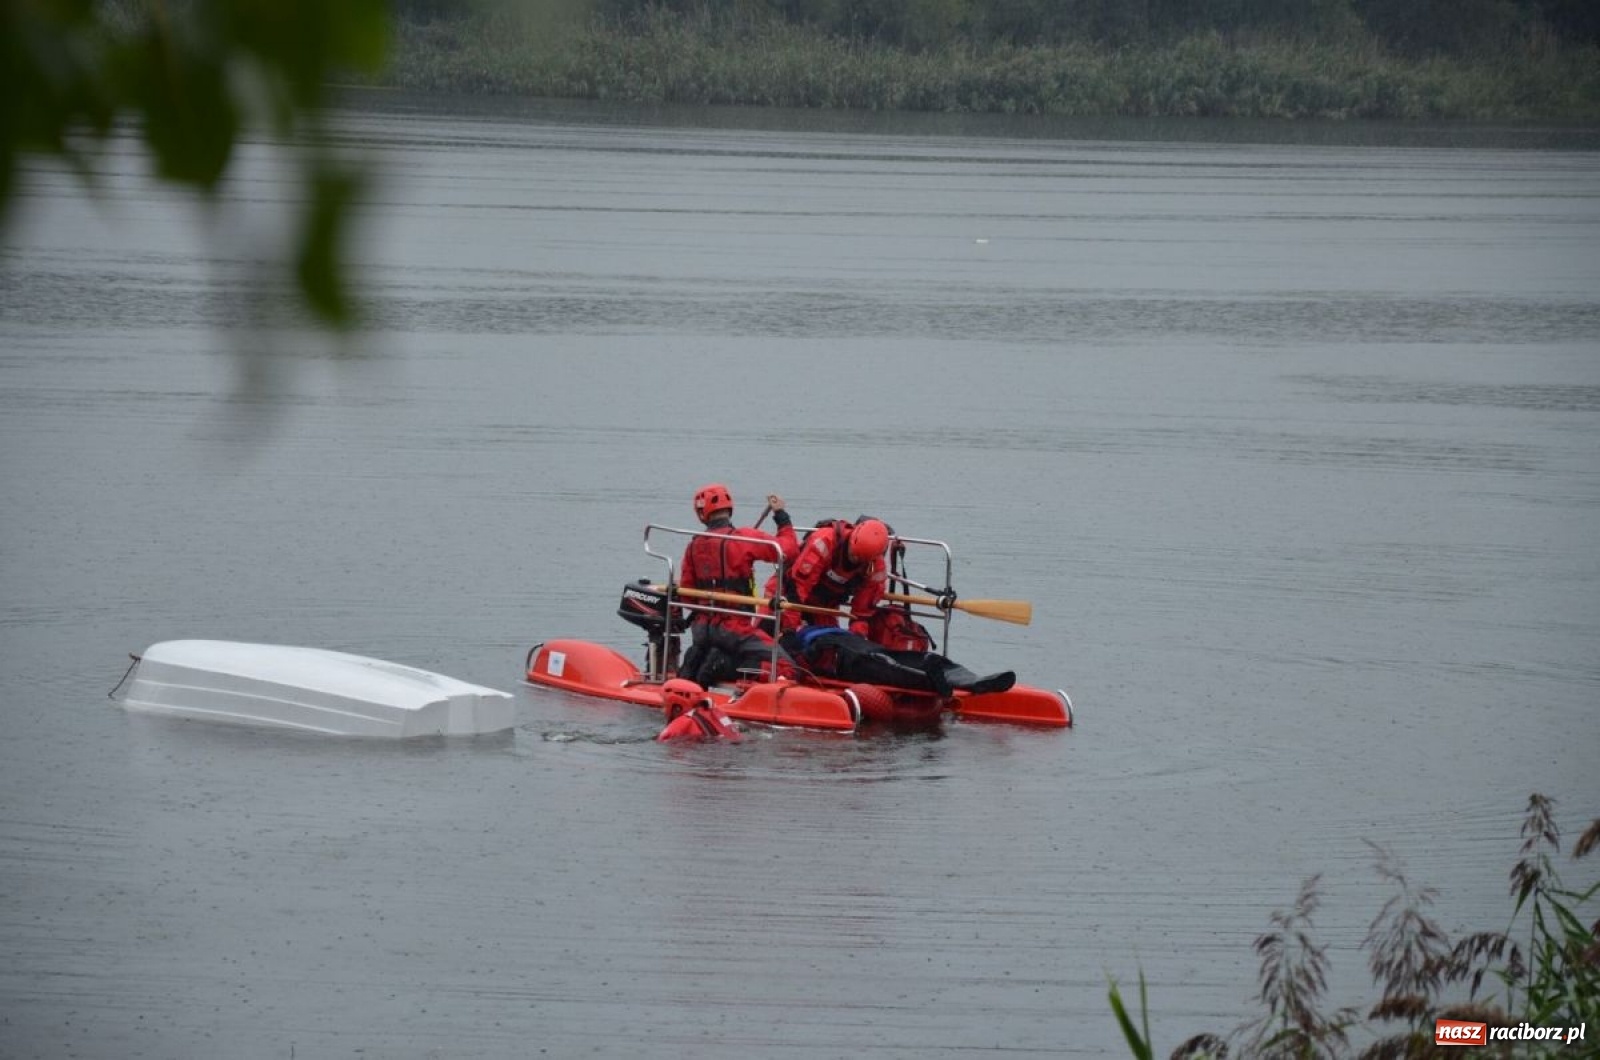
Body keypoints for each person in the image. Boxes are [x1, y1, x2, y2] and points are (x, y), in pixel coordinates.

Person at [676, 483, 800, 687]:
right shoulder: (742, 538)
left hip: (701, 629)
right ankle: (724, 665)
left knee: (711, 646)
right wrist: (781, 516)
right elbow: (788, 550)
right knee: (789, 668)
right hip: (734, 629)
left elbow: (687, 596)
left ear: (701, 513)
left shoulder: (693, 545)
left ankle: (696, 663)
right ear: (729, 508)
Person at [774, 516, 891, 637]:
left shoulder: (875, 568)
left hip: (824, 606)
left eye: (860, 559)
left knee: (829, 646)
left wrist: (856, 638)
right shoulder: (825, 542)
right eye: (853, 554)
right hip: (785, 594)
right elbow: (797, 588)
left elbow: (862, 612)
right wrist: (789, 630)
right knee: (768, 636)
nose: (854, 560)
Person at [656, 678, 743, 743]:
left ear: (677, 707)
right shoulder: (712, 710)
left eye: (664, 705)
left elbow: (662, 741)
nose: (662, 710)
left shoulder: (681, 723)